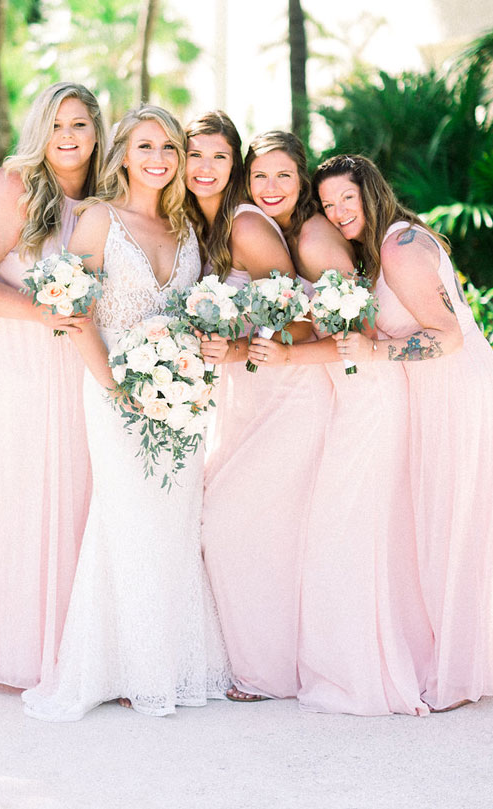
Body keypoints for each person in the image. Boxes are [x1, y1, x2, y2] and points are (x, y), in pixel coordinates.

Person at [23, 106, 230, 720]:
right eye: (145, 146)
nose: (159, 159)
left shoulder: (191, 227)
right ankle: (121, 667)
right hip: (114, 393)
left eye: (169, 147)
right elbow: (74, 311)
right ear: (123, 153)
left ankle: (170, 662)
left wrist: (201, 359)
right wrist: (116, 388)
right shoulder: (97, 220)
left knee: (175, 519)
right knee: (127, 519)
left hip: (184, 399)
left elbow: (202, 312)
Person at [242, 134, 430, 715]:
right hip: (349, 395)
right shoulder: (307, 233)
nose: (271, 188)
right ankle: (347, 661)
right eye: (260, 177)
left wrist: (288, 355)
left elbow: (356, 336)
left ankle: (364, 672)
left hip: (366, 395)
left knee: (346, 532)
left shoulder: (315, 236)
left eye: (283, 177)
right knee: (346, 531)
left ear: (300, 183)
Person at [315, 153, 493, 713]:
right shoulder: (386, 245)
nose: (340, 212)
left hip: (454, 393)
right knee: (449, 525)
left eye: (348, 197)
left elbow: (449, 337)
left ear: (371, 190)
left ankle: (460, 669)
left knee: (458, 527)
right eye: (328, 205)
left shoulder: (399, 245)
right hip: (433, 392)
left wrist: (375, 349)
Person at [0, 83, 105, 688]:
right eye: (57, 124)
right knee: (27, 494)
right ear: (42, 127)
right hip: (16, 365)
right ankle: (25, 648)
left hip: (81, 364)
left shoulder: (103, 196)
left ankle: (79, 641)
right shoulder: (14, 186)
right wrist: (40, 311)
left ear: (96, 133)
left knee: (80, 496)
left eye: (81, 125)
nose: (68, 136)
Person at [188, 120, 327, 704]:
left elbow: (300, 318)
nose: (205, 167)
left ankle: (266, 672)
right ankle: (266, 661)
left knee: (230, 520)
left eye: (220, 156)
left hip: (288, 394)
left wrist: (241, 347)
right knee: (259, 529)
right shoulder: (208, 225)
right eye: (195, 154)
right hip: (247, 395)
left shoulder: (245, 225)